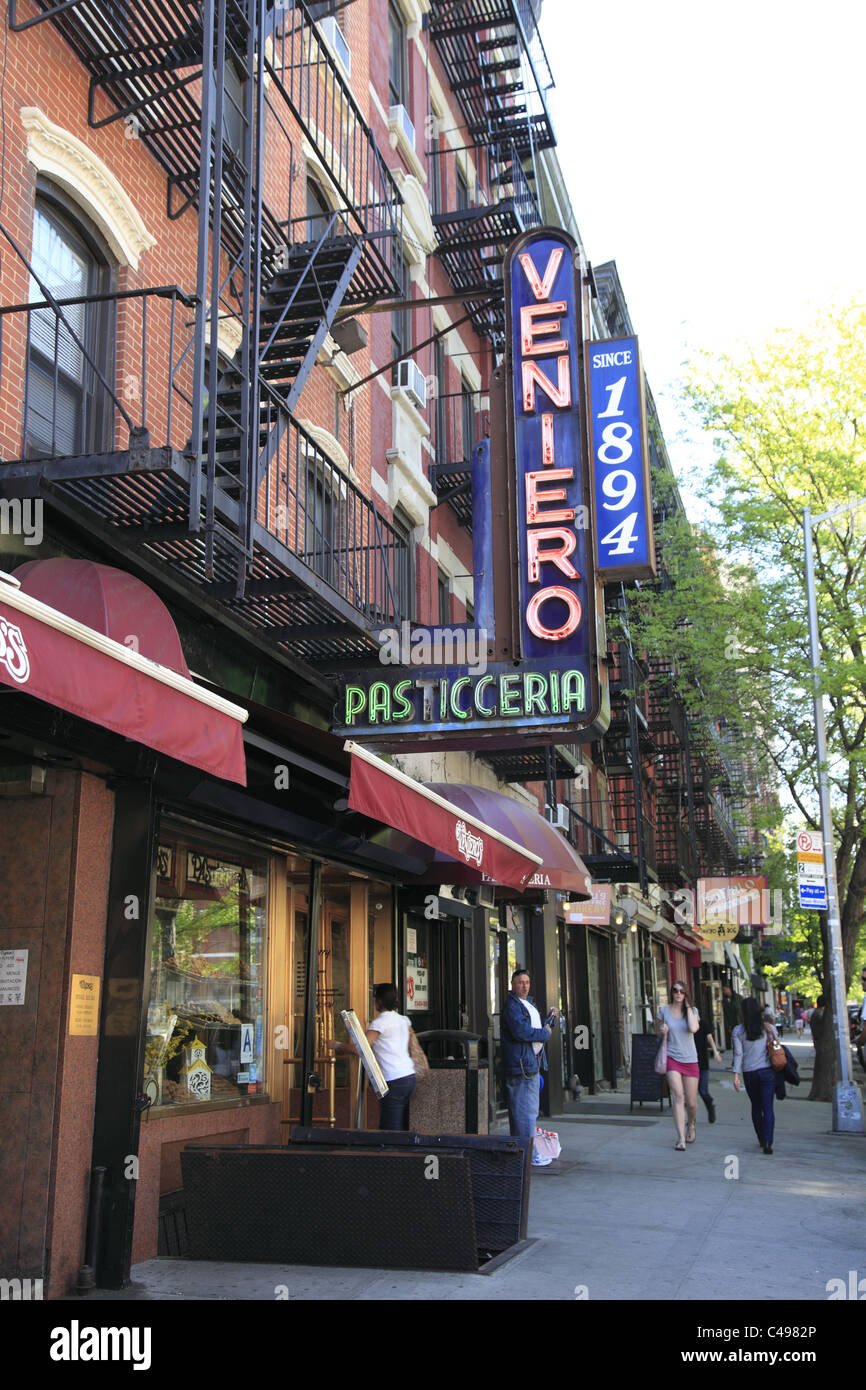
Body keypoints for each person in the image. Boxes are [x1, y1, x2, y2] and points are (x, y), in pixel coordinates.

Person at [330, 982, 418, 1130]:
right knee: (401, 1125)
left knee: (391, 1129)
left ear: (379, 1001)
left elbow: (360, 1049)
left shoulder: (380, 1023)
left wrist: (336, 1045)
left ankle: (393, 1153)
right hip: (409, 1077)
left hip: (393, 1079)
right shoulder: (403, 1020)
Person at [501, 968, 559, 1167]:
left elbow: (533, 1029)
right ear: (512, 984)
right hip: (521, 1067)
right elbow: (522, 1032)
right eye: (520, 982)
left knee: (524, 1112)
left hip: (528, 1064)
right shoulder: (512, 1006)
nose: (524, 986)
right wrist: (545, 1034)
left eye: (527, 982)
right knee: (525, 1113)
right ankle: (530, 1154)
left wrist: (548, 1022)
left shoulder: (527, 1004)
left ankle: (521, 1153)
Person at [732, 996, 780, 1154]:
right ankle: (768, 1141)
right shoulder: (768, 1028)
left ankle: (761, 1137)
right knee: (768, 1107)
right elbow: (776, 1044)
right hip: (767, 1072)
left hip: (749, 1073)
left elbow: (738, 1054)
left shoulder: (738, 1031)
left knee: (756, 1106)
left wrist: (736, 1075)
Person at [657, 981, 701, 1150]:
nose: (678, 993)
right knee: (678, 1096)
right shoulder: (664, 1011)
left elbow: (693, 1028)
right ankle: (681, 1138)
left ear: (686, 994)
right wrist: (661, 1029)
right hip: (672, 1058)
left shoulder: (693, 1012)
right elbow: (656, 1031)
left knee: (691, 1102)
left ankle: (691, 1123)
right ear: (671, 992)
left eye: (682, 991)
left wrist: (688, 1007)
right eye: (675, 990)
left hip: (690, 1059)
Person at [695, 1014, 722, 1123]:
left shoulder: (702, 1023)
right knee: (690, 1094)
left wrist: (715, 1052)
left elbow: (709, 1037)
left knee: (703, 1090)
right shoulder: (685, 1025)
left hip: (702, 1063)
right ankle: (691, 1118)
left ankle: (710, 1105)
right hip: (688, 1062)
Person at [721, 984, 743, 1049]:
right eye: (722, 990)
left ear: (729, 989)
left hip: (740, 1022)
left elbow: (743, 1010)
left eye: (724, 990)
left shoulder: (738, 998)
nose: (723, 992)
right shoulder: (724, 1000)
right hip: (732, 1024)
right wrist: (728, 1026)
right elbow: (725, 1014)